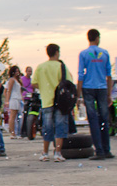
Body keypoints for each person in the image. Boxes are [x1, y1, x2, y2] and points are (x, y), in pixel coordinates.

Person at [32, 43, 74, 162]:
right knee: (60, 127)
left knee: (47, 127)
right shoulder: (61, 66)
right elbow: (69, 82)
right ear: (57, 52)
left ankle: (45, 153)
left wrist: (44, 87)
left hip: (46, 101)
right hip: (60, 102)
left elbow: (34, 83)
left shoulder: (41, 67)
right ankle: (58, 153)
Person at [77, 29, 114, 160]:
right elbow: (109, 75)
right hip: (102, 88)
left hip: (88, 87)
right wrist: (109, 94)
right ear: (97, 38)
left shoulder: (83, 54)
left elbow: (80, 75)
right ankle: (106, 149)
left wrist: (78, 95)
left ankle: (99, 151)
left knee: (93, 119)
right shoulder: (104, 53)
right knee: (104, 119)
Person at [3, 66, 24, 139]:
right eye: (16, 71)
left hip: (18, 98)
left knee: (17, 117)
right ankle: (12, 133)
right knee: (12, 116)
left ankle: (16, 132)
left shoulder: (18, 80)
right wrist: (7, 100)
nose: (17, 73)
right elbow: (9, 90)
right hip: (13, 98)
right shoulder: (11, 80)